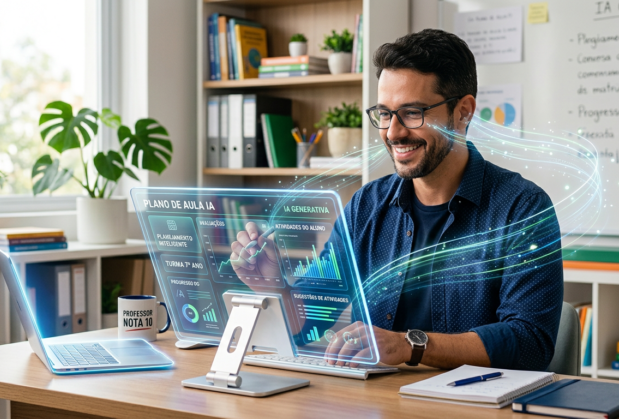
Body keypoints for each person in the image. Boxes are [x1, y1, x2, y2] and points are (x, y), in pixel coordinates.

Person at [230, 29, 563, 371]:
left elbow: (530, 343)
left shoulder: (522, 208)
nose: (392, 133)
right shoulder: (366, 208)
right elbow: (311, 320)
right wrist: (274, 288)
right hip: (378, 404)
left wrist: (409, 345)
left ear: (463, 112)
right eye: (385, 114)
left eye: (413, 113)